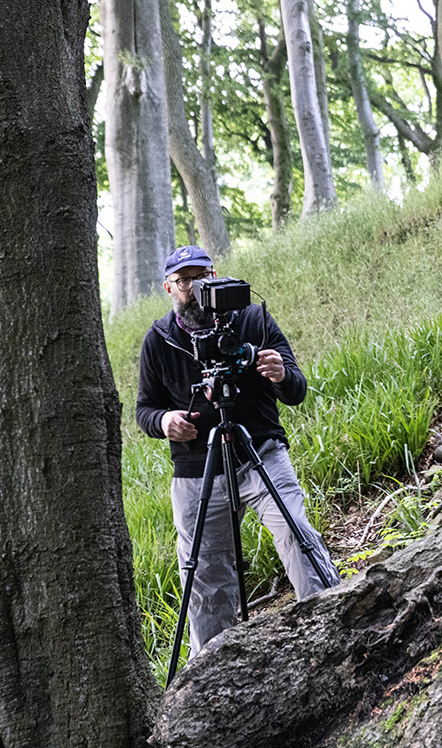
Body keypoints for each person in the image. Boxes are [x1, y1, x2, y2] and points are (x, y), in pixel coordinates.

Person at [136, 245, 340, 655]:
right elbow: (144, 409)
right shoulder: (159, 340)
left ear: (216, 275)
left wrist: (281, 375)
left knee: (296, 535)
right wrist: (164, 422)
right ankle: (212, 667)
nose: (194, 288)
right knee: (205, 575)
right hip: (197, 468)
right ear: (168, 288)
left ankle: (334, 623)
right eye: (184, 280)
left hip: (259, 450)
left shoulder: (252, 318)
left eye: (202, 276)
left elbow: (296, 389)